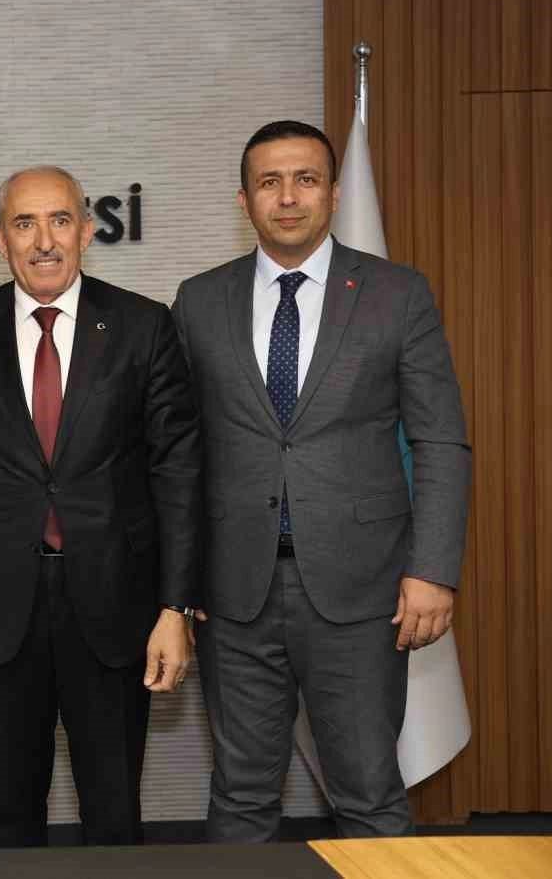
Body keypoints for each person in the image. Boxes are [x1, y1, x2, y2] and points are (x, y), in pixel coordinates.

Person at [172, 120, 469, 840]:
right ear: (243, 200)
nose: (287, 197)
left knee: (368, 794)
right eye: (269, 182)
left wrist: (432, 570)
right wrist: (177, 587)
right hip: (233, 594)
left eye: (305, 179)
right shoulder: (199, 300)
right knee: (240, 798)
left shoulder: (397, 294)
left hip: (364, 592)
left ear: (334, 194)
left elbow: (439, 439)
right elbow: (179, 453)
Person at [0, 165, 201, 847]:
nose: (44, 240)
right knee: (10, 815)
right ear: (0, 240)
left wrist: (175, 608)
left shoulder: (143, 326)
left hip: (116, 608)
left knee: (114, 812)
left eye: (60, 220)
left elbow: (178, 476)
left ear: (86, 230)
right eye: (24, 223)